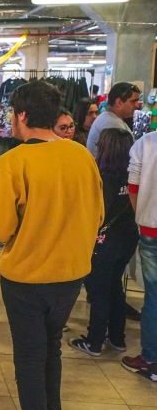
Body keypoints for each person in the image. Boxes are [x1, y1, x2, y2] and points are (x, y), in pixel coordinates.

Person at [0, 81, 104, 410]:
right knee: (52, 347)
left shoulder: (13, 162)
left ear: (22, 114)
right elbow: (98, 214)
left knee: (29, 358)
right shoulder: (81, 155)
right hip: (71, 274)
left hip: (26, 276)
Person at [69, 128, 138, 357]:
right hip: (127, 238)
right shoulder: (132, 176)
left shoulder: (102, 179)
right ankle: (117, 337)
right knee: (115, 287)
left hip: (103, 241)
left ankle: (95, 340)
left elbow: (95, 213)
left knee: (98, 291)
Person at [121, 128, 157, 380]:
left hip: (150, 228)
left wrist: (140, 217)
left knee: (154, 297)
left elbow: (133, 187)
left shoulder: (146, 143)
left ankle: (150, 358)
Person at [87, 82, 141, 156]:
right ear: (119, 103)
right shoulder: (112, 123)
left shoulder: (109, 118)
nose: (137, 105)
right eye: (133, 101)